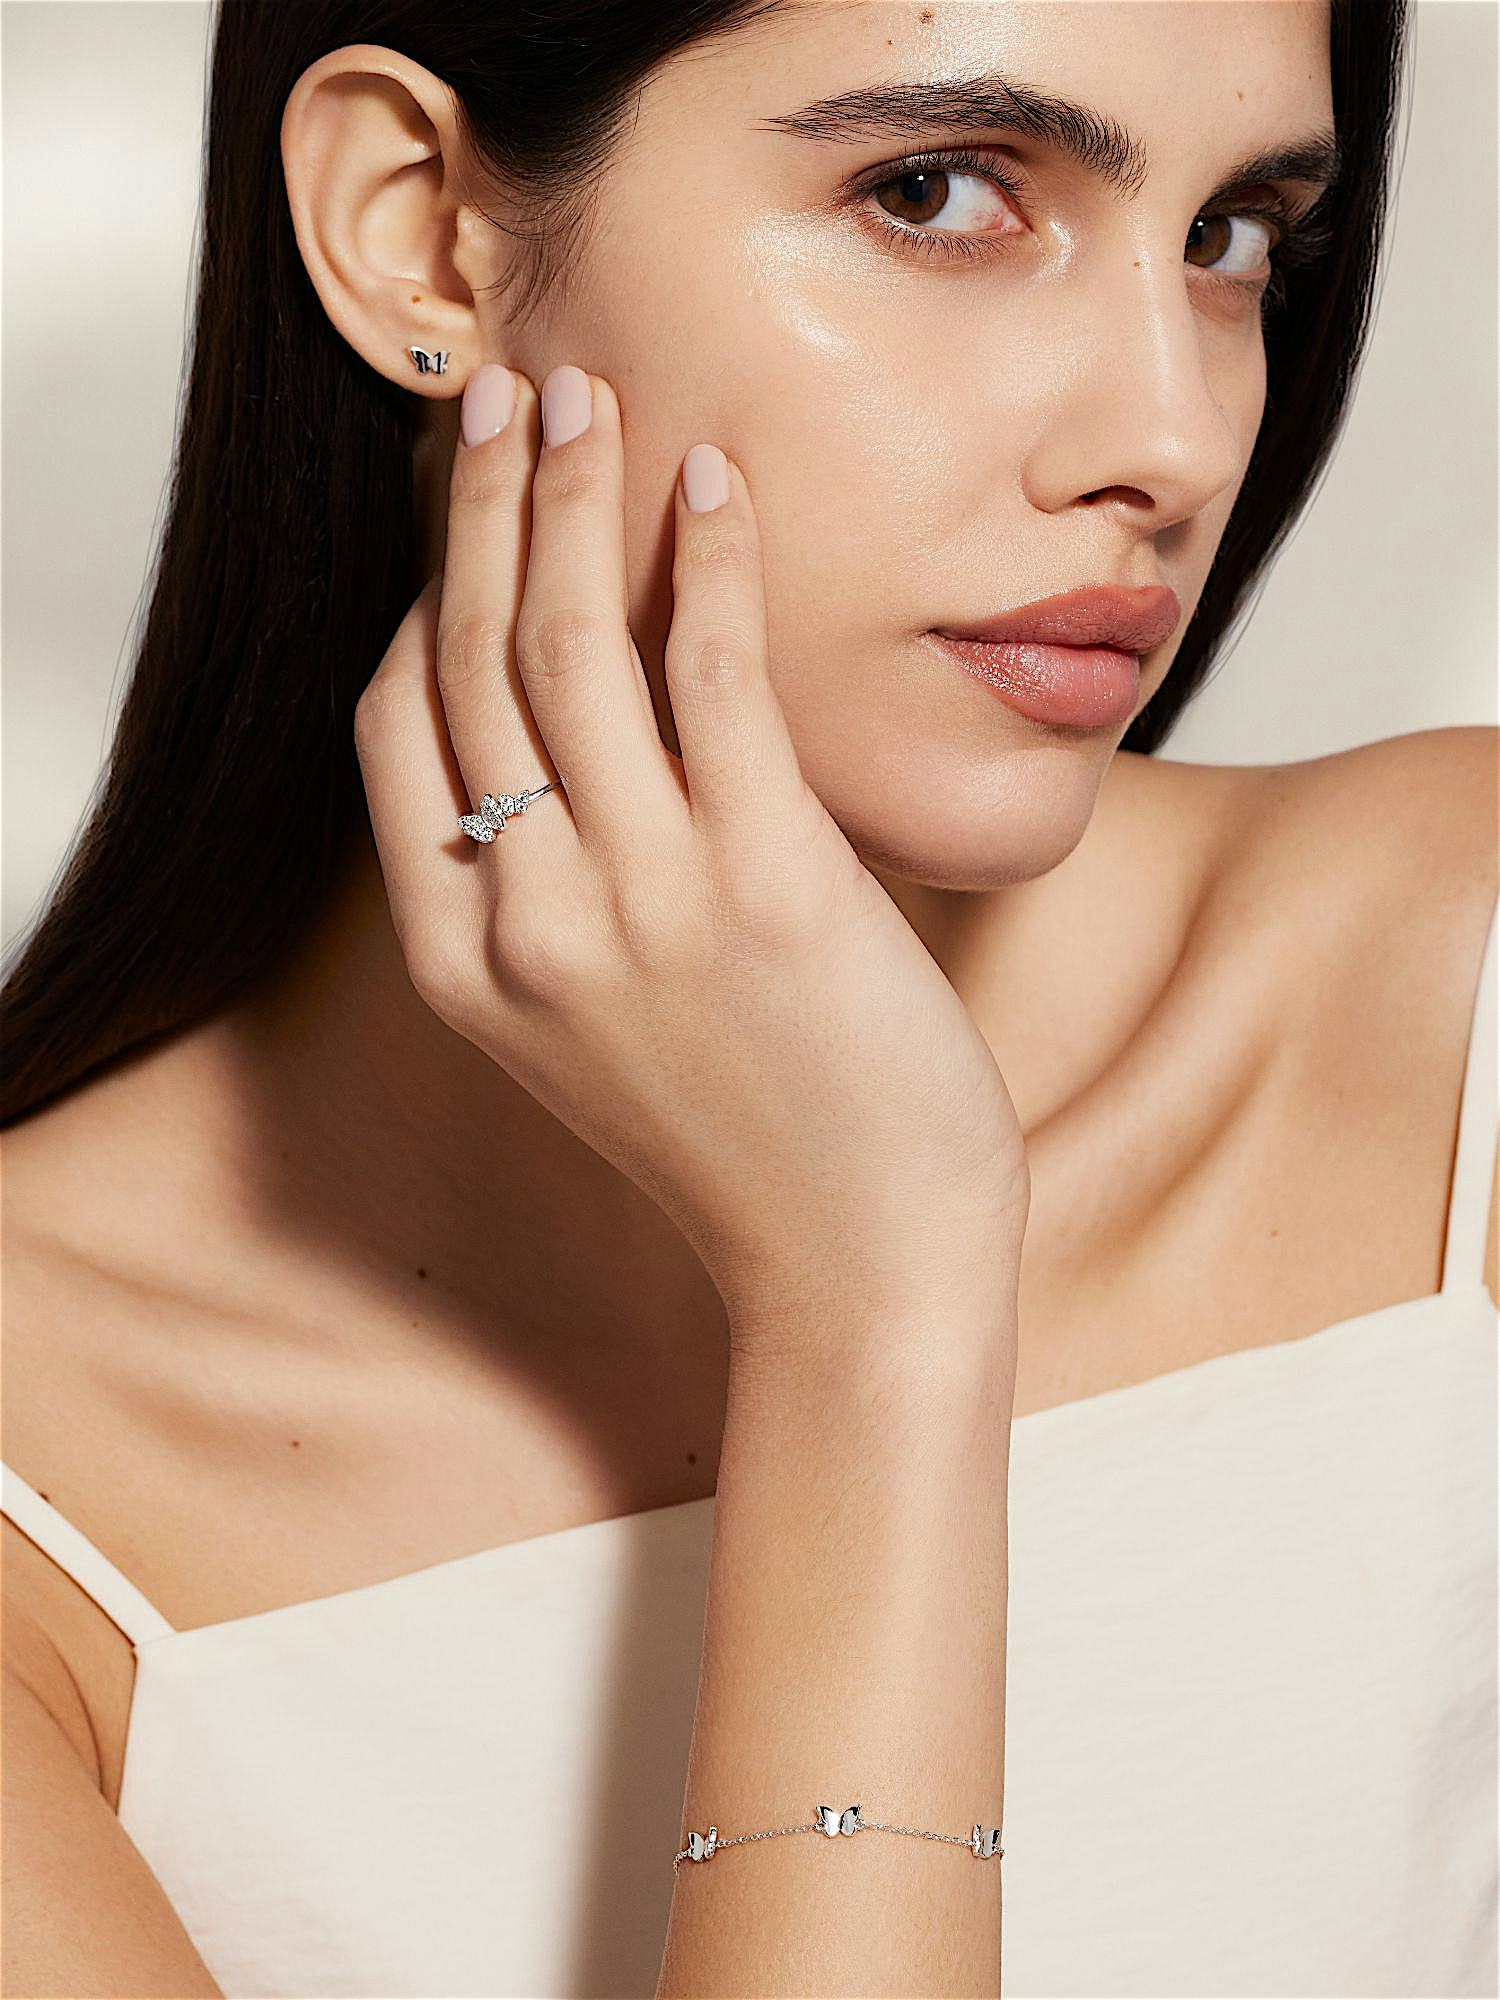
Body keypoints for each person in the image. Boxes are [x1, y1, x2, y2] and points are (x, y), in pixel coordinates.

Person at [2, 0, 1494, 1994]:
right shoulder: (42, 1483)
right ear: (416, 231)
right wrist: (875, 1305)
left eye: (1230, 237)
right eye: (936, 192)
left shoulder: (1458, 1007)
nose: (1170, 437)